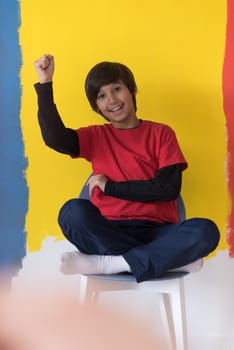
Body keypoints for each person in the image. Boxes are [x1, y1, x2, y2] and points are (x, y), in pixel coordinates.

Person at [34, 54, 220, 282]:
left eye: (116, 89)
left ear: (131, 90)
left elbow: (167, 189)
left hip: (157, 233)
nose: (111, 100)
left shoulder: (161, 134)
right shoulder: (95, 136)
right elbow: (55, 138)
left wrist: (111, 188)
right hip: (109, 231)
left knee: (205, 231)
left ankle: (111, 263)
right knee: (72, 212)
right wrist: (45, 84)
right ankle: (162, 261)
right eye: (101, 96)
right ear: (97, 107)